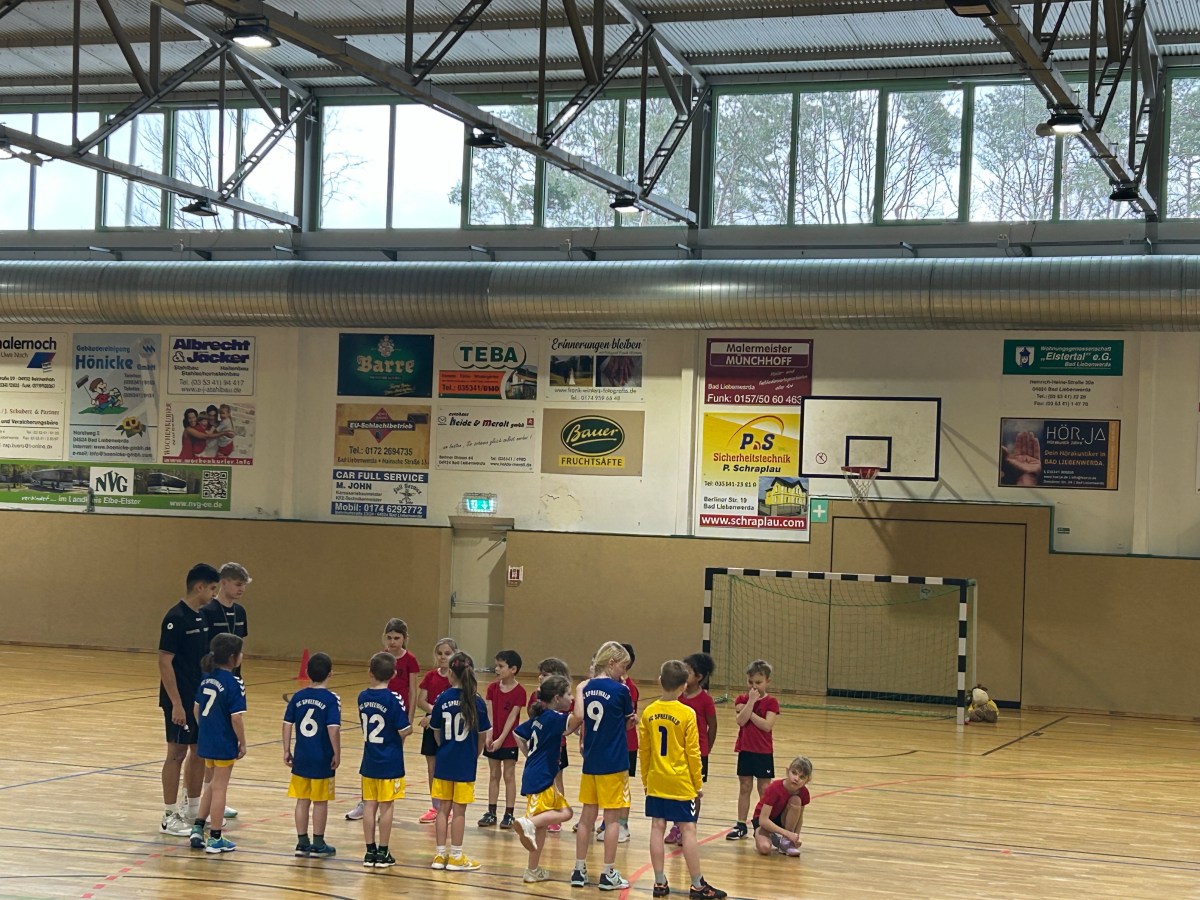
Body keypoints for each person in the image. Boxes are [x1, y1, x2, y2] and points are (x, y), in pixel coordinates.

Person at [639, 660, 727, 900]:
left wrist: (646, 781)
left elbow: (644, 752)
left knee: (657, 827)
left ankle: (659, 882)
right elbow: (693, 753)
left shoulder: (648, 712)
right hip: (680, 782)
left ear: (659, 681)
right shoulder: (687, 713)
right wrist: (697, 784)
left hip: (656, 781)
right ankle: (697, 884)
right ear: (683, 686)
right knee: (688, 829)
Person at [157, 562, 219, 837]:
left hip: (198, 697)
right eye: (213, 588)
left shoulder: (201, 617)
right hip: (179, 699)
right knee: (176, 753)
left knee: (198, 751)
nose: (215, 594)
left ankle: (193, 809)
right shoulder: (175, 618)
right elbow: (164, 662)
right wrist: (177, 704)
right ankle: (169, 815)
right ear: (199, 587)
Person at [569, 640, 634, 891]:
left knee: (586, 817)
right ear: (612, 663)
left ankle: (578, 870)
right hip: (614, 762)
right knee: (612, 819)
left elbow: (581, 719)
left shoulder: (585, 688)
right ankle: (607, 873)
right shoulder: (621, 690)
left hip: (591, 760)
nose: (624, 673)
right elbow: (626, 722)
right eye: (623, 666)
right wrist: (631, 722)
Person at [346, 618, 421, 822]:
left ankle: (385, 803)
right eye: (389, 637)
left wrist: (409, 718)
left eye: (397, 638)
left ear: (404, 638)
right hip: (380, 712)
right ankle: (366, 802)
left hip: (397, 715)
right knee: (371, 757)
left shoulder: (410, 660)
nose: (393, 642)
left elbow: (412, 691)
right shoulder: (381, 658)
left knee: (390, 760)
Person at [429, 651, 490, 872]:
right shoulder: (476, 701)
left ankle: (439, 855)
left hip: (444, 760)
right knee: (459, 811)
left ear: (450, 674)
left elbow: (436, 731)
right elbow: (482, 736)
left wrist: (445, 748)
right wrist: (475, 753)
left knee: (442, 809)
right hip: (465, 762)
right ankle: (456, 856)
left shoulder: (442, 698)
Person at [200, 561, 251, 819]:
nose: (241, 589)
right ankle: (206, 798)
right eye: (238, 584)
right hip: (214, 680)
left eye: (244, 585)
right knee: (213, 745)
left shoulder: (240, 612)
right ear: (224, 582)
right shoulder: (208, 611)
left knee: (226, 741)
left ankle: (218, 797)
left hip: (232, 680)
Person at [512, 675, 575, 883]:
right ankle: (528, 822)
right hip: (542, 776)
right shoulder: (554, 717)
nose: (571, 698)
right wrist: (583, 695)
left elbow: (518, 734)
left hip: (535, 773)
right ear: (557, 698)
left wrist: (529, 756)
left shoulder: (539, 718)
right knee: (565, 813)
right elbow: (577, 719)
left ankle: (532, 870)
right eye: (568, 694)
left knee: (542, 827)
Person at [187, 633, 246, 854]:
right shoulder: (234, 683)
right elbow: (236, 718)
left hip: (207, 740)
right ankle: (215, 837)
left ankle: (198, 827)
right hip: (223, 742)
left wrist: (205, 731)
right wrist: (242, 742)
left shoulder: (206, 678)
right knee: (220, 788)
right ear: (232, 657)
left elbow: (196, 709)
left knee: (212, 784)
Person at [283, 651, 341, 858]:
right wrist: (337, 752)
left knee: (302, 800)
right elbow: (333, 728)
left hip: (302, 756)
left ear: (307, 672)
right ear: (330, 673)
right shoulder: (331, 699)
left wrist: (286, 749)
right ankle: (318, 843)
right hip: (322, 757)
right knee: (320, 801)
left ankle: (301, 842)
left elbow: (287, 724)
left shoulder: (298, 696)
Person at [357, 651, 412, 868]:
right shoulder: (393, 698)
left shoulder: (362, 697)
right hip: (390, 761)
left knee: (369, 806)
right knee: (387, 806)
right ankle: (383, 851)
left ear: (370, 673)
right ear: (394, 674)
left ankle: (369, 851)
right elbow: (404, 729)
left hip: (369, 760)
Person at [667, 652, 718, 846]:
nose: (683, 673)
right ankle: (676, 826)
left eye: (687, 671)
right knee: (676, 789)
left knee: (694, 792)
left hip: (697, 753)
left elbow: (712, 725)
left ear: (699, 677)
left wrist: (707, 749)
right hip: (677, 751)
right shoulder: (677, 696)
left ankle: (689, 826)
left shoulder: (705, 700)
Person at [726, 659, 780, 841]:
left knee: (764, 789)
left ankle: (764, 823)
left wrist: (749, 711)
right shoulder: (742, 699)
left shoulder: (771, 702)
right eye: (750, 682)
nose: (754, 686)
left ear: (767, 681)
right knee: (745, 786)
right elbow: (741, 721)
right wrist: (750, 702)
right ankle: (741, 824)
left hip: (763, 752)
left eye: (758, 682)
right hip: (746, 750)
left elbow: (766, 725)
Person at [479, 649, 526, 829]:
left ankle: (509, 813)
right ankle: (491, 812)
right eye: (496, 666)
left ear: (513, 669)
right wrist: (490, 735)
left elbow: (512, 718)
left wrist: (501, 739)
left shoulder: (520, 691)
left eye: (501, 666)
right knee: (493, 774)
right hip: (493, 736)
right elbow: (489, 713)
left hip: (509, 740)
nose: (497, 669)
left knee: (508, 775)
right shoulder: (492, 688)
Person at [415, 637, 457, 824]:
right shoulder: (430, 676)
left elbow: (457, 703)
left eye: (447, 653)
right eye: (439, 653)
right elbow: (421, 700)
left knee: (447, 767)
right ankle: (436, 806)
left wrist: (436, 716)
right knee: (431, 767)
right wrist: (434, 713)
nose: (443, 657)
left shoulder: (456, 678)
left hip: (450, 727)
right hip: (431, 726)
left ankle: (449, 807)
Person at [530, 656, 572, 832]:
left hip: (557, 746)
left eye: (545, 674)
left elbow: (570, 722)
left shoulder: (563, 699)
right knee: (542, 781)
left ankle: (556, 814)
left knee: (557, 778)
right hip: (540, 747)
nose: (540, 677)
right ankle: (542, 812)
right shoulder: (536, 696)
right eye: (540, 674)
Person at [751, 756, 812, 858]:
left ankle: (785, 842)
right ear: (787, 771)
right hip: (764, 821)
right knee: (764, 848)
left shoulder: (804, 793)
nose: (796, 779)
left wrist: (795, 838)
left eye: (802, 777)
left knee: (796, 800)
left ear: (807, 780)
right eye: (794, 773)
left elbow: (799, 818)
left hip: (783, 820)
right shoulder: (774, 788)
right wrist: (787, 834)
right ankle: (772, 836)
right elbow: (763, 820)